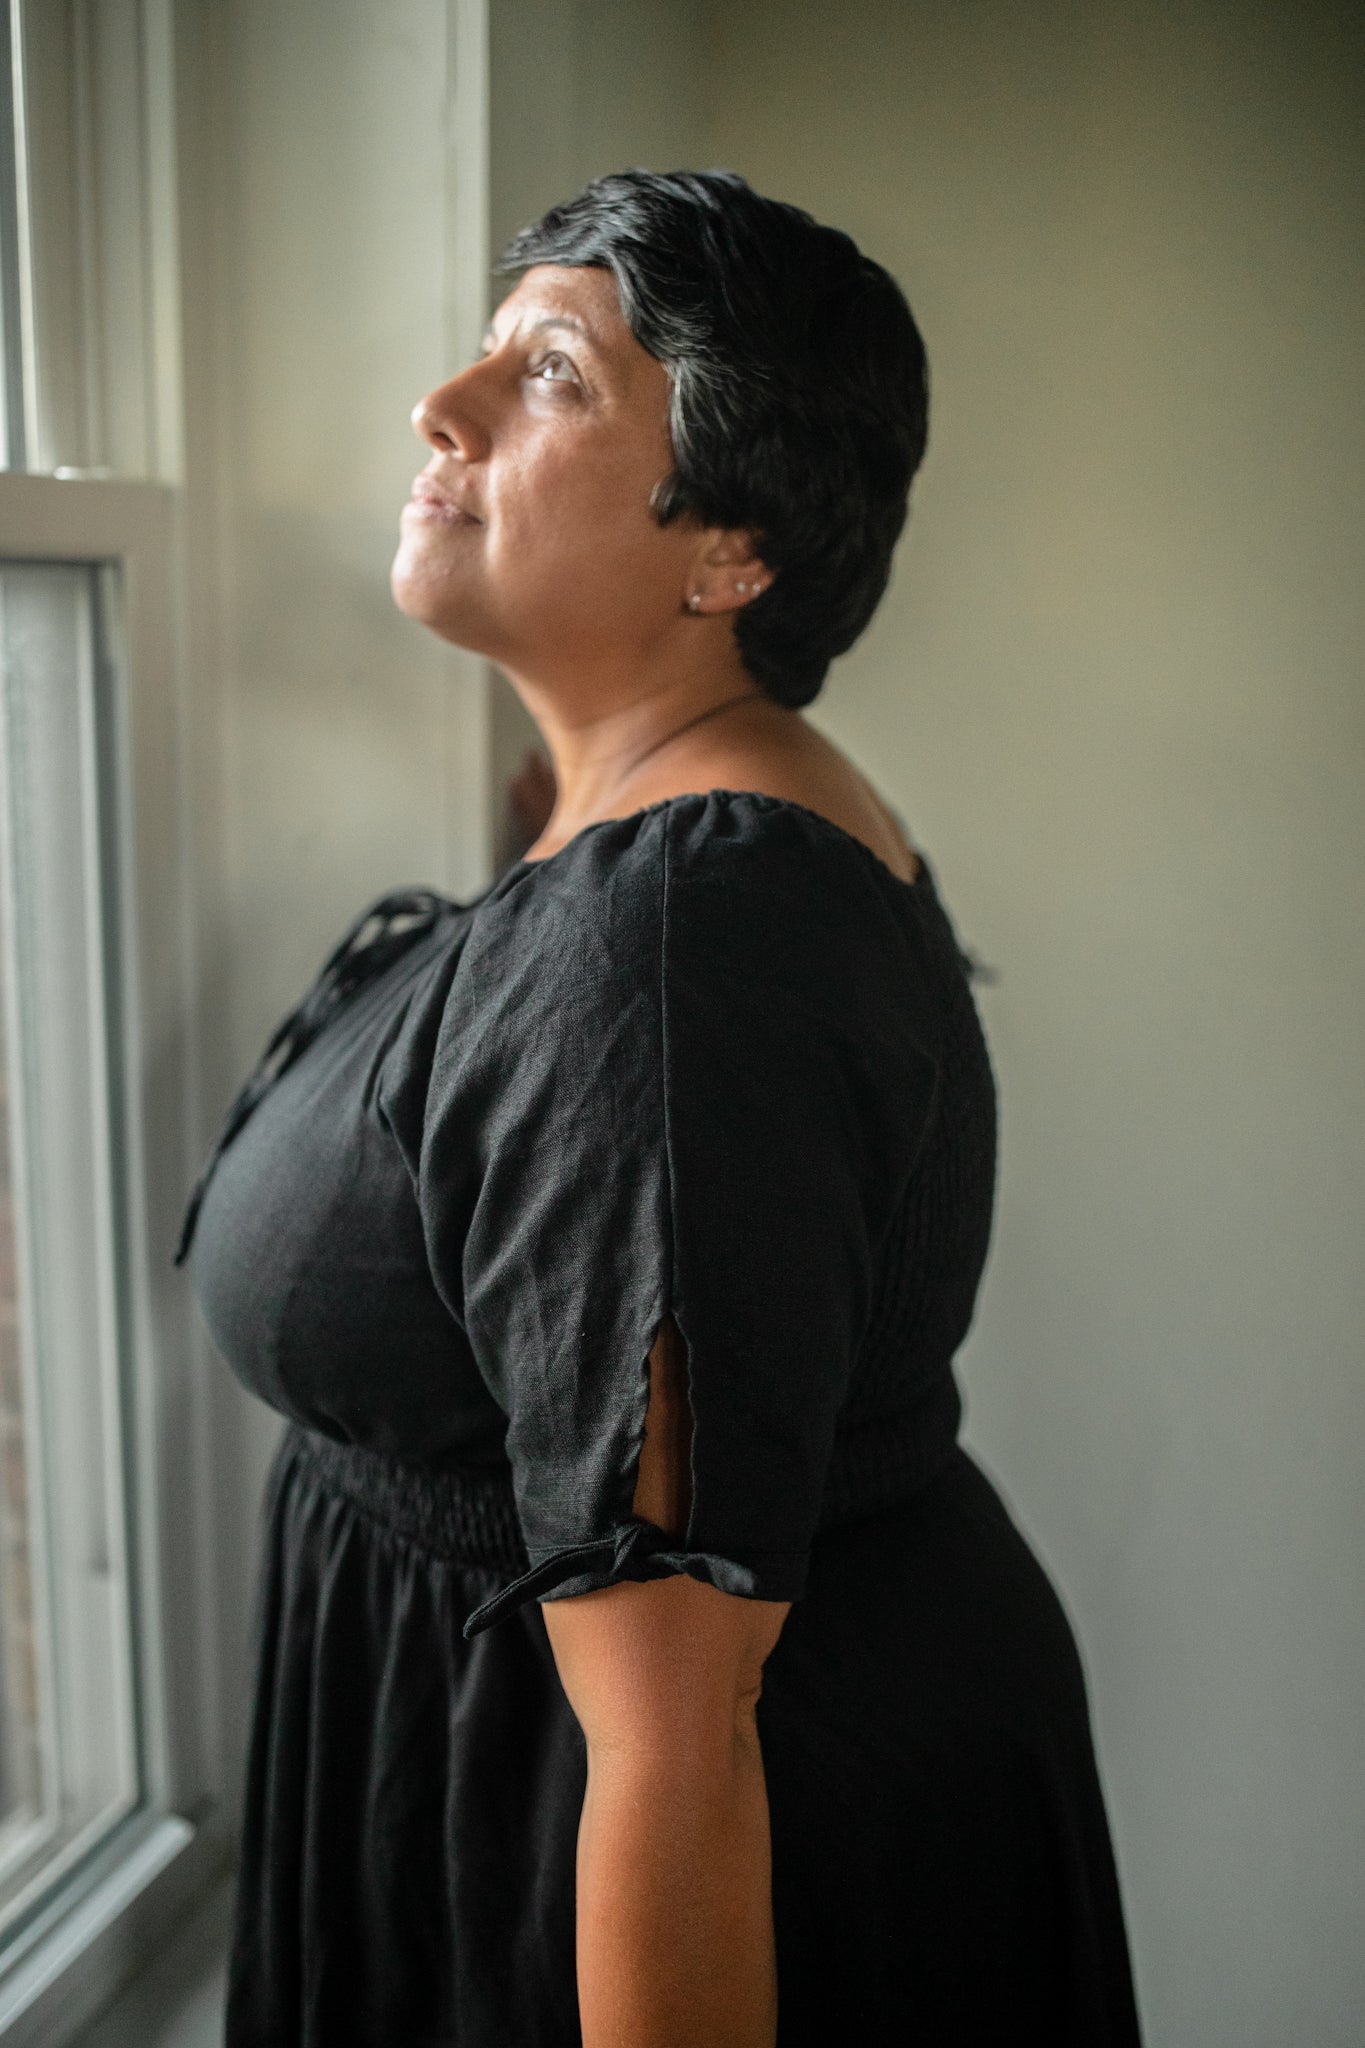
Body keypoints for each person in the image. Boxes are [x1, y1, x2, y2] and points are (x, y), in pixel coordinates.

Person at [176, 169, 1143, 2046]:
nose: (440, 406)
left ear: (730, 549)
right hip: (524, 1785)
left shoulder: (677, 936)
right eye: (484, 348)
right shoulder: (656, 828)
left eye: (550, 372)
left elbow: (676, 1741)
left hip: (638, 1852)